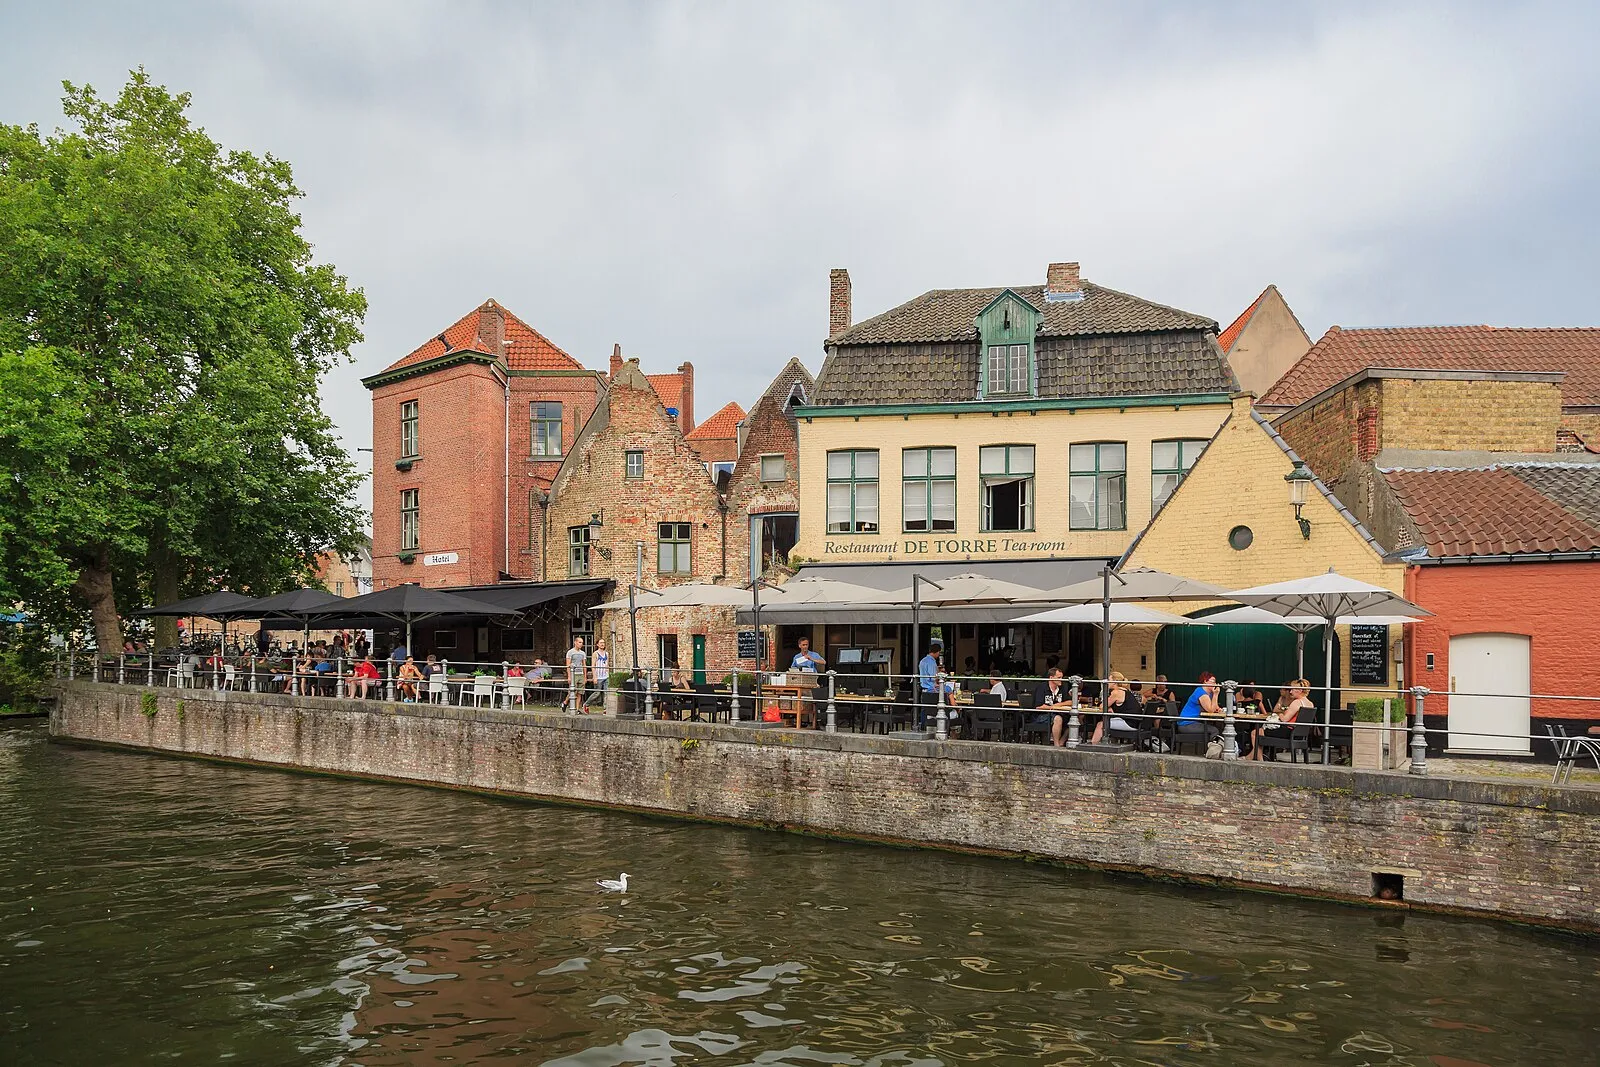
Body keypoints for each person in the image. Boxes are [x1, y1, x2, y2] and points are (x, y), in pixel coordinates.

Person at [1251, 678, 1313, 761]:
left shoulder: (1297, 702)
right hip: (1300, 734)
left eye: (1292, 689)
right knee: (1261, 731)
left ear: (1300, 690)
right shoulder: (1310, 703)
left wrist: (1280, 714)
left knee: (1255, 732)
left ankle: (1260, 760)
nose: (1290, 692)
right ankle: (1254, 757)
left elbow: (1284, 719)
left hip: (1289, 733)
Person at [1177, 671, 1222, 747]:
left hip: (1193, 722)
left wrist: (1218, 708)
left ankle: (1213, 748)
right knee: (1214, 730)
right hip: (1187, 724)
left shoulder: (1209, 693)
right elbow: (1211, 710)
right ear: (1205, 681)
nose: (1215, 684)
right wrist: (1216, 694)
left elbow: (1215, 707)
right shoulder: (1201, 692)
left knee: (1218, 727)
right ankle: (1212, 751)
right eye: (1213, 681)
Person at [1099, 671, 1142, 745]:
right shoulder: (1125, 690)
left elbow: (1102, 706)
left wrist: (1103, 691)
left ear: (1115, 682)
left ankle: (1093, 745)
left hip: (1129, 723)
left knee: (1101, 724)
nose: (1107, 682)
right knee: (1107, 721)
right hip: (1136, 722)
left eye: (1109, 680)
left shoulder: (1116, 692)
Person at [564, 637, 586, 711]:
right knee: (572, 691)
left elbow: (584, 665)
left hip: (581, 673)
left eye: (582, 643)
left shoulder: (583, 653)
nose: (581, 644)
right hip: (574, 673)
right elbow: (568, 665)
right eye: (579, 642)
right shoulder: (570, 652)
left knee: (580, 692)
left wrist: (585, 676)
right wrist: (569, 676)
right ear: (575, 642)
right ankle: (565, 702)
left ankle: (576, 709)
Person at [586, 639, 610, 708]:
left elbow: (607, 665)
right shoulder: (595, 654)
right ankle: (587, 704)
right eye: (601, 643)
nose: (602, 644)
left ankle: (605, 708)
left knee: (606, 693)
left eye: (603, 642)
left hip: (605, 676)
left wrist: (608, 673)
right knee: (597, 693)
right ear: (597, 644)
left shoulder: (607, 654)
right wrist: (594, 676)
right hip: (598, 676)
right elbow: (593, 666)